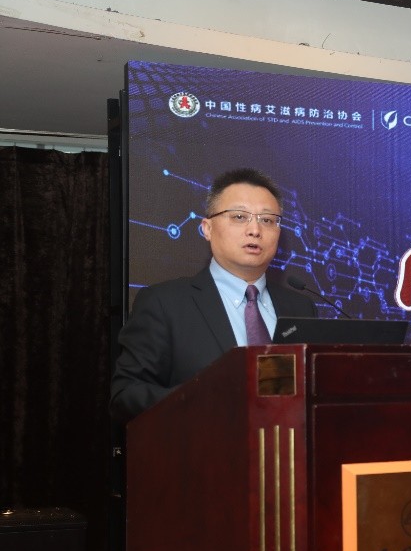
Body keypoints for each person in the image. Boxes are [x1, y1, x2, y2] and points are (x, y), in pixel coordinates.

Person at [110, 167, 316, 422]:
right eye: (239, 217)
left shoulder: (301, 307)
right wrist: (207, 401)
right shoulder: (164, 304)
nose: (255, 230)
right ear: (207, 228)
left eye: (267, 220)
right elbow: (126, 395)